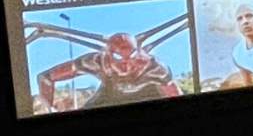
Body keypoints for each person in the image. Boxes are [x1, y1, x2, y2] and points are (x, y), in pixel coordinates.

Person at [33, 30, 180, 111]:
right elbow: (46, 77)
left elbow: (175, 94)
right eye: (119, 62)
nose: (127, 67)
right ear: (107, 57)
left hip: (147, 97)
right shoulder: (95, 62)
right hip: (108, 96)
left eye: (132, 60)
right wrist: (49, 109)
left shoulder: (154, 67)